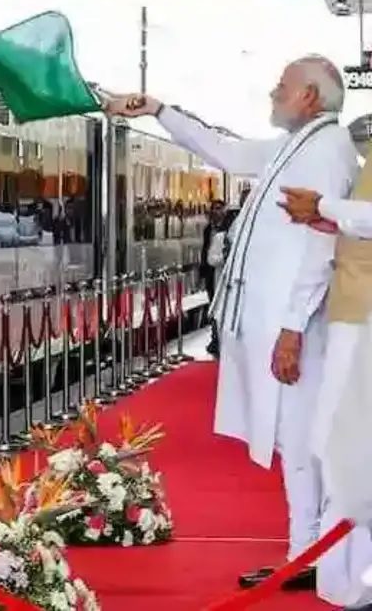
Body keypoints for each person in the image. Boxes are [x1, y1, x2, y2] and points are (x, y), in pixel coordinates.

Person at [106, 55, 358, 593]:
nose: (273, 91)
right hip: (279, 320)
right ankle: (305, 551)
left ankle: (308, 553)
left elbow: (321, 243)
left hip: (296, 323)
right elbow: (225, 150)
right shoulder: (300, 144)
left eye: (283, 85)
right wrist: (159, 110)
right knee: (291, 440)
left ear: (310, 96)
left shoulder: (326, 149)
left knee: (299, 439)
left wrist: (292, 327)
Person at [279, 163, 372, 609]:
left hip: (361, 318)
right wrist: (333, 219)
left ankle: (354, 583)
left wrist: (325, 206)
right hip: (354, 313)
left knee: (344, 448)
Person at [200, 199, 232, 356]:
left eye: (219, 208)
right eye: (214, 208)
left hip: (226, 278)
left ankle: (221, 339)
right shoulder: (210, 231)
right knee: (214, 306)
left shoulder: (228, 232)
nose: (216, 211)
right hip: (213, 275)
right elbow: (207, 253)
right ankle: (215, 337)